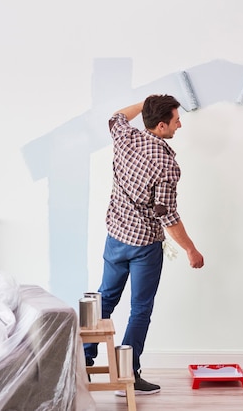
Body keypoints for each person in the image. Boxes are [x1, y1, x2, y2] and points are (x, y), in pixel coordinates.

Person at [84, 94, 205, 396]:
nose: (180, 124)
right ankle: (128, 377)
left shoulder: (126, 138)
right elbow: (168, 216)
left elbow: (116, 117)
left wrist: (146, 103)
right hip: (145, 247)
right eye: (176, 120)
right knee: (140, 309)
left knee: (105, 301)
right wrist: (191, 249)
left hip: (116, 238)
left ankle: (82, 364)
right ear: (162, 126)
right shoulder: (166, 163)